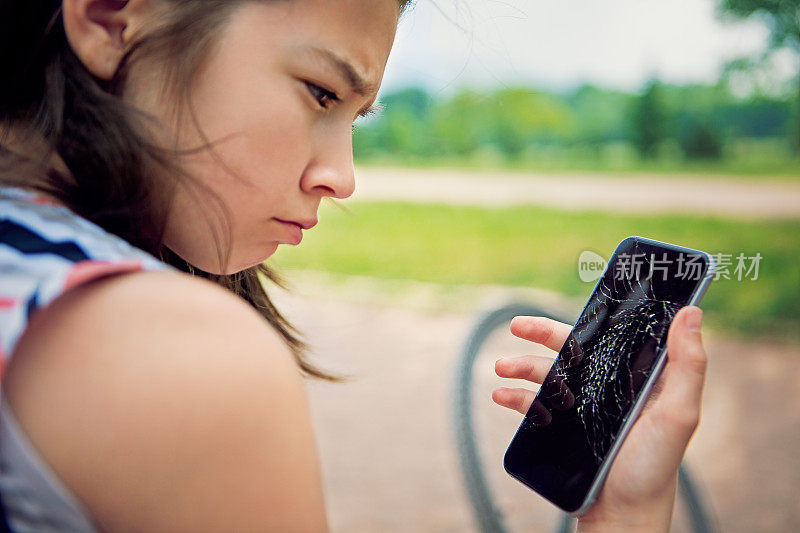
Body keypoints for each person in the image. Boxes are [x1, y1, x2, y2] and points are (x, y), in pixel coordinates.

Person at [0, 0, 709, 531]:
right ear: (113, 14)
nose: (342, 177)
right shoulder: (179, 359)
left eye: (355, 115)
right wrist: (626, 516)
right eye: (321, 92)